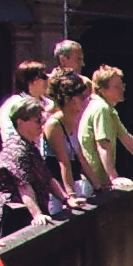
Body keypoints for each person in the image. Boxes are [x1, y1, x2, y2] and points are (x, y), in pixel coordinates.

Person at [0, 98, 71, 235]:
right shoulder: (16, 150)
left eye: (43, 120)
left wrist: (67, 199)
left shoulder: (30, 147)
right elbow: (24, 186)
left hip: (27, 213)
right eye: (37, 121)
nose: (42, 124)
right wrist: (37, 214)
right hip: (13, 215)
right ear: (20, 122)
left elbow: (48, 178)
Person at [78, 66, 133, 191]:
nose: (123, 89)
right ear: (103, 89)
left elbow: (126, 138)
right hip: (95, 184)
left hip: (99, 182)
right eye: (117, 86)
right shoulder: (101, 108)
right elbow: (103, 144)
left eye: (122, 85)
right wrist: (113, 177)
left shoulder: (108, 109)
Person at [42, 71, 95, 211]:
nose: (87, 101)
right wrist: (70, 196)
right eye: (82, 97)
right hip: (54, 191)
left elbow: (81, 159)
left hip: (72, 182)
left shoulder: (75, 119)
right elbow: (63, 161)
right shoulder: (54, 124)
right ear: (69, 99)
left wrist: (100, 186)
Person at [0, 60, 49, 146]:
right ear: (31, 81)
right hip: (25, 155)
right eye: (44, 76)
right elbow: (10, 136)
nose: (48, 80)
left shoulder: (50, 104)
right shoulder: (12, 105)